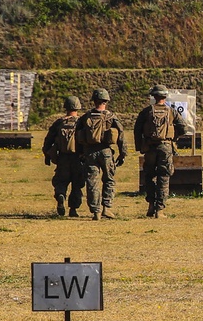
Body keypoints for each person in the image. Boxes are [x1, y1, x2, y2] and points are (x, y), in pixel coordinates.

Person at [134, 85, 189, 218]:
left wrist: (139, 147)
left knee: (149, 176)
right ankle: (160, 209)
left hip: (150, 147)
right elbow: (184, 128)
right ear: (165, 97)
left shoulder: (146, 111)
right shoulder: (172, 112)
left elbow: (137, 129)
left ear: (154, 96)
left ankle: (151, 205)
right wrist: (173, 138)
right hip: (165, 147)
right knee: (164, 177)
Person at [75, 88, 128, 220]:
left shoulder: (85, 117)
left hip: (89, 152)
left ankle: (96, 211)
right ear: (106, 101)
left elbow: (77, 136)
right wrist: (123, 153)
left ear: (94, 101)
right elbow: (121, 135)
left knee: (92, 182)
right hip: (106, 152)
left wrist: (80, 153)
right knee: (109, 180)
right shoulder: (110, 116)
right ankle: (107, 208)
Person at [41, 96, 86, 217]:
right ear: (78, 107)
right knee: (77, 184)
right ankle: (73, 209)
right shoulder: (82, 122)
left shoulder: (59, 123)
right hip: (78, 158)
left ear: (65, 106)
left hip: (62, 158)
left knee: (61, 181)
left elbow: (48, 140)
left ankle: (61, 195)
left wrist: (47, 154)